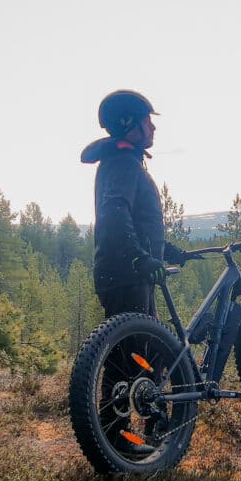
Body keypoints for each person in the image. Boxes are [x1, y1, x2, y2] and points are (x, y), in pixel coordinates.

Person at [80, 89, 193, 318]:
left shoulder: (122, 161)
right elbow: (114, 215)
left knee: (141, 349)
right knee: (136, 351)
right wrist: (138, 258)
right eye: (147, 120)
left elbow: (135, 221)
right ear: (128, 124)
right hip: (125, 276)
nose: (153, 127)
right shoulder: (123, 163)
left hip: (126, 275)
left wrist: (163, 249)